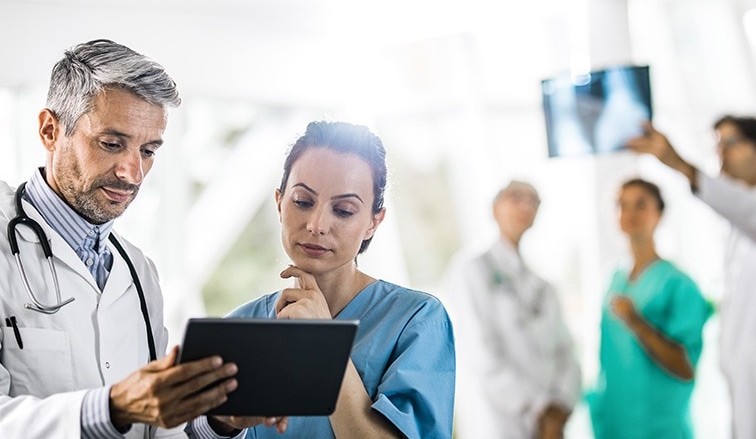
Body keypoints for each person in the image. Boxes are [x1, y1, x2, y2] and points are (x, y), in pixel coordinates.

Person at [0, 39, 276, 438]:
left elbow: (157, 428)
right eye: (112, 144)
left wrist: (218, 422)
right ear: (50, 130)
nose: (133, 173)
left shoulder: (137, 272)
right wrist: (111, 409)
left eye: (148, 151)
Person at [226, 120, 456, 438]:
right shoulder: (241, 325)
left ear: (374, 222)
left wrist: (324, 346)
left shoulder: (416, 321)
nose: (317, 224)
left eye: (344, 210)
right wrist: (222, 424)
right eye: (303, 202)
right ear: (279, 202)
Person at [627, 116, 756, 439]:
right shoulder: (735, 229)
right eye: (717, 145)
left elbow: (753, 216)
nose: (721, 153)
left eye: (731, 144)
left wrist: (680, 164)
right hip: (747, 384)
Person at [444, 180, 580, 439]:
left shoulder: (543, 287)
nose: (525, 205)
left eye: (533, 200)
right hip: (498, 424)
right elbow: (482, 354)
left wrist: (560, 406)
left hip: (550, 426)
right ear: (495, 209)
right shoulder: (471, 271)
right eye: (516, 197)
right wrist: (539, 408)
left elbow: (567, 353)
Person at [587, 178, 710, 439]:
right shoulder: (614, 281)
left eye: (640, 205)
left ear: (659, 214)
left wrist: (636, 322)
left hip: (659, 426)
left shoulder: (679, 284)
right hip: (616, 423)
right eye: (622, 205)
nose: (629, 213)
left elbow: (686, 366)